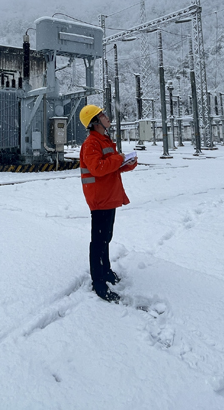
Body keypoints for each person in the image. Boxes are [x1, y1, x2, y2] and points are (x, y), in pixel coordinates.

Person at [78, 104, 137, 302]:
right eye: (102, 115)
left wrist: (126, 163)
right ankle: (99, 282)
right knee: (99, 241)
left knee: (106, 237)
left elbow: (111, 166)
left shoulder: (104, 140)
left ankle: (106, 271)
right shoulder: (91, 143)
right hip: (99, 198)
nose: (107, 117)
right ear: (95, 122)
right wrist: (118, 159)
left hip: (108, 196)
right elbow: (98, 168)